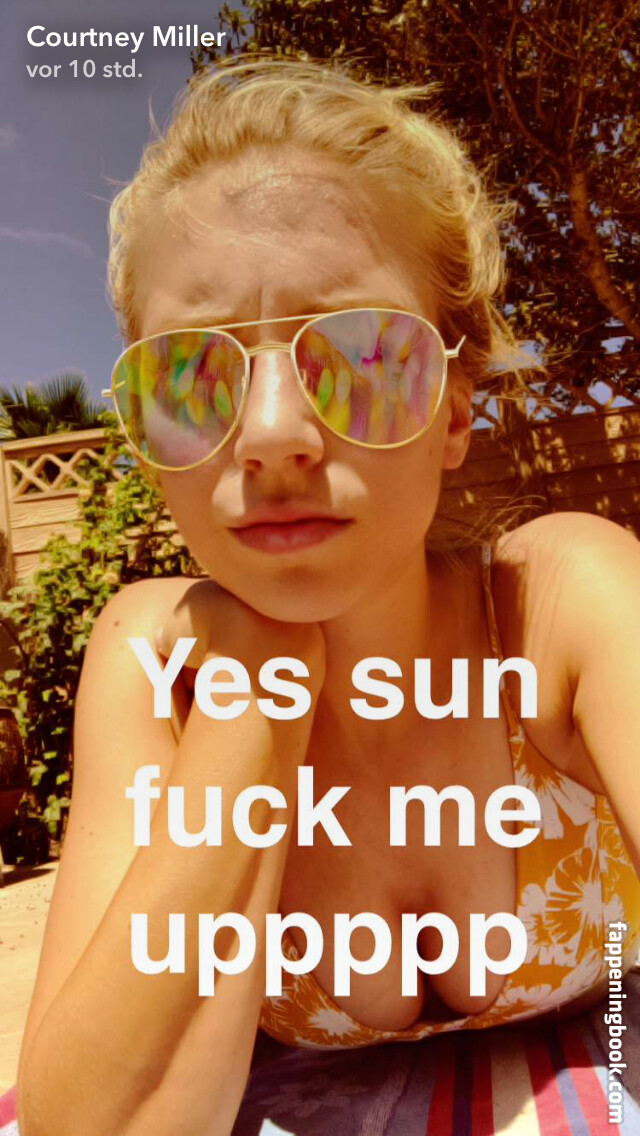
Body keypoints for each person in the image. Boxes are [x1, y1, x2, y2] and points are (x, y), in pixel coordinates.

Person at [16, 58, 640, 1136]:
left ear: (456, 410)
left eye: (359, 354)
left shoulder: (558, 605)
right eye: (191, 376)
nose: (269, 436)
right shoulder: (157, 668)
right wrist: (253, 708)